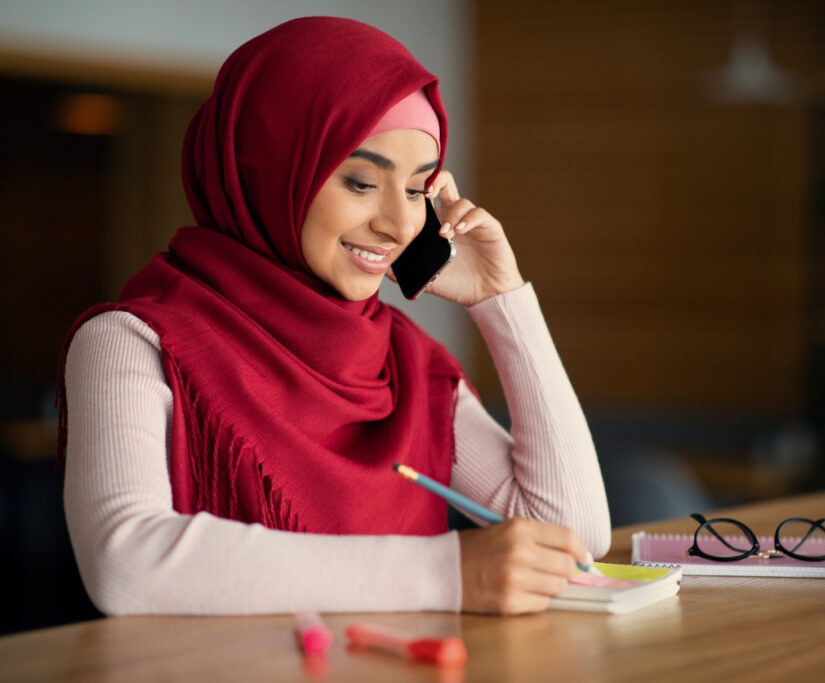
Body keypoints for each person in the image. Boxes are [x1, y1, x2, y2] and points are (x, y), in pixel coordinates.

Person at [57, 16, 610, 616]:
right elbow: (126, 563)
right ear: (267, 171)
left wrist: (501, 299)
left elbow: (571, 535)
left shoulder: (404, 363)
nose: (399, 225)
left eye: (418, 190)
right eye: (361, 181)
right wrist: (448, 572)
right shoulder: (134, 340)